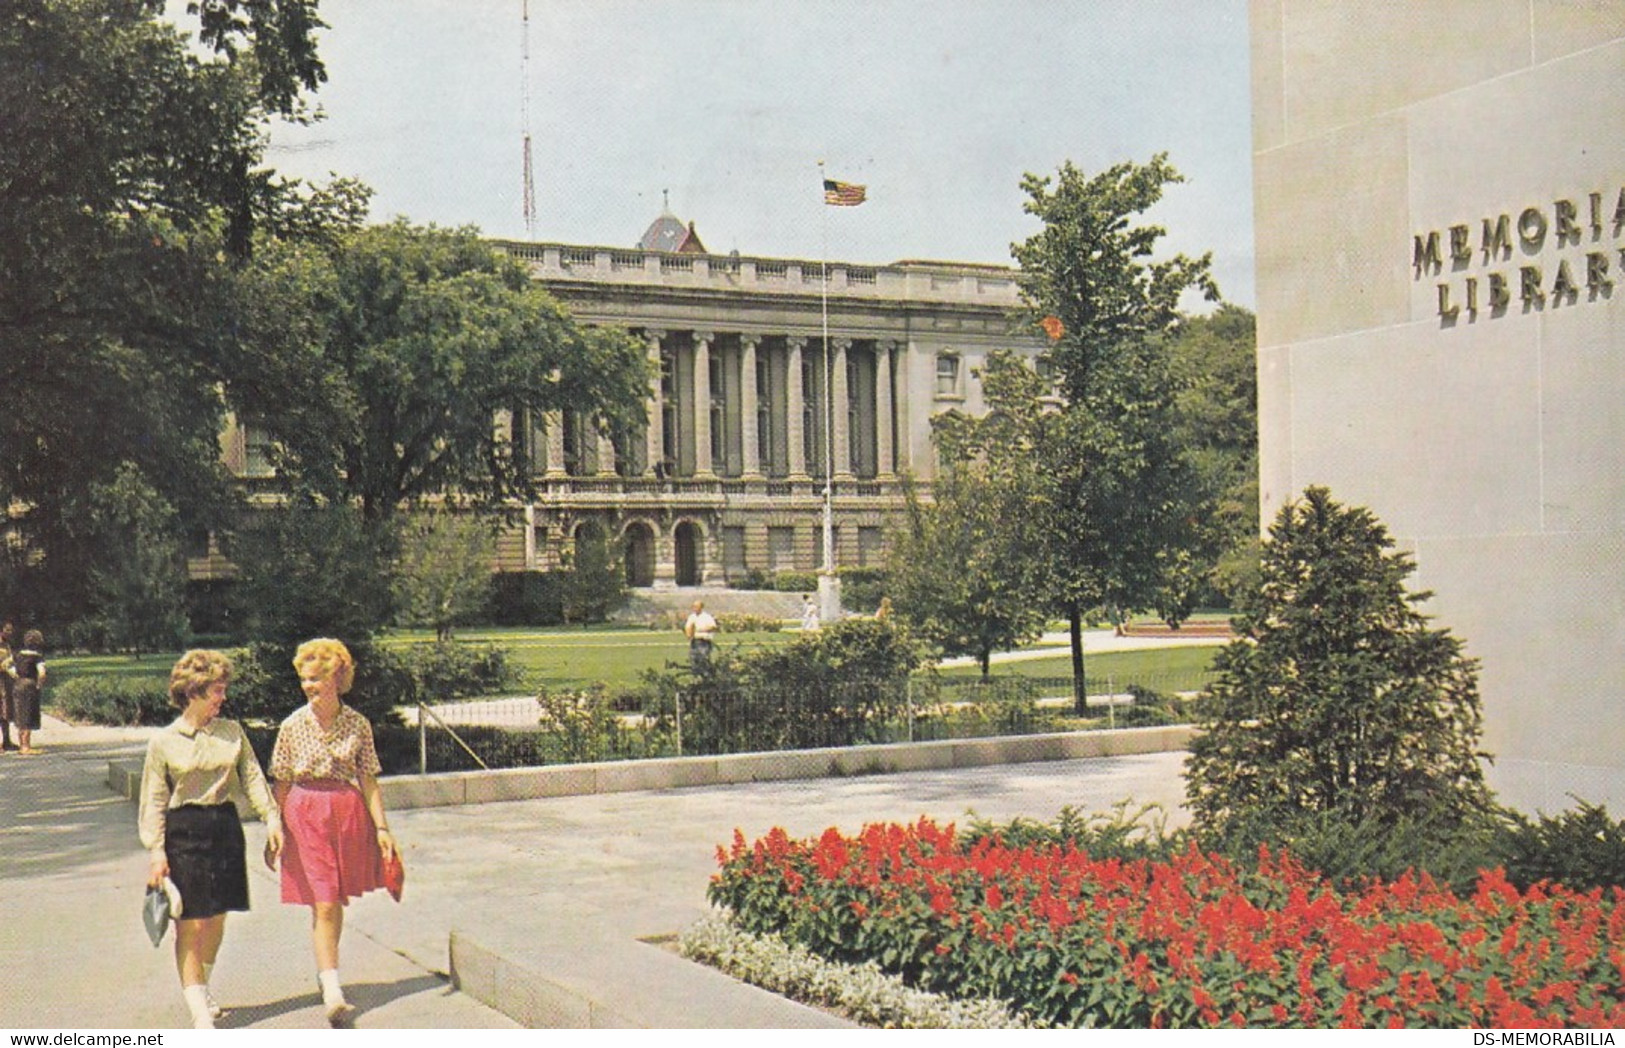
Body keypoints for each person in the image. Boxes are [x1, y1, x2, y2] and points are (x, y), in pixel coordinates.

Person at [138, 650, 282, 1029]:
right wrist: (156, 852)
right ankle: (200, 1011)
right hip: (183, 831)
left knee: (217, 918)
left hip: (223, 827)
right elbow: (153, 798)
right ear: (193, 692)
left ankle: (200, 985)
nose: (223, 698)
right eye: (216, 691)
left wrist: (272, 821)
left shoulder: (232, 732)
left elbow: (252, 777)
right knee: (191, 921)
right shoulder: (164, 741)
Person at [268, 638, 396, 1027]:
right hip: (304, 813)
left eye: (317, 679)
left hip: (345, 813)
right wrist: (275, 828)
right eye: (305, 679)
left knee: (333, 900)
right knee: (324, 902)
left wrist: (382, 828)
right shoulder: (292, 725)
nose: (309, 686)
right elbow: (281, 781)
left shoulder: (358, 723)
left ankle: (327, 972)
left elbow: (368, 779)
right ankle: (334, 990)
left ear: (338, 678)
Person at [7, 629, 46, 755]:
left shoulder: (17, 655)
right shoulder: (37, 657)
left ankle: (22, 745)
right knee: (28, 713)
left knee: (20, 713)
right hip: (30, 684)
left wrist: (15, 675)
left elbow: (6, 665)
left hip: (18, 685)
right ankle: (26, 746)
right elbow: (42, 673)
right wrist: (39, 684)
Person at [684, 600, 717, 669]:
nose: (694, 608)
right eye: (693, 607)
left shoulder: (707, 617)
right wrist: (689, 634)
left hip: (704, 642)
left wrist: (701, 629)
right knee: (694, 659)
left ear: (701, 607)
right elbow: (688, 627)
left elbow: (713, 627)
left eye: (696, 607)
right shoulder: (692, 617)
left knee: (703, 660)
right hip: (695, 641)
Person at [0, 621, 16, 752]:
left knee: (5, 711)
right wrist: (5, 665)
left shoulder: (6, 644)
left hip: (5, 682)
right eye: (7, 630)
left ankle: (6, 740)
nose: (10, 633)